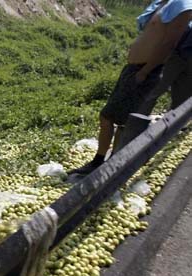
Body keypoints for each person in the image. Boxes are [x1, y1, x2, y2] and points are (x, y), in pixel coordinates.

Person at [69, 0, 192, 176]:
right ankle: (108, 162)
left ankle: (102, 163)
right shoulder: (163, 3)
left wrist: (145, 71)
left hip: (146, 70)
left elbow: (168, 44)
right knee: (121, 121)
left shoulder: (183, 5)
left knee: (109, 117)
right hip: (134, 68)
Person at [137, 0, 192, 116]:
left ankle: (170, 128)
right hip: (179, 52)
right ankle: (135, 123)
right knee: (155, 89)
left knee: (183, 96)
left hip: (186, 55)